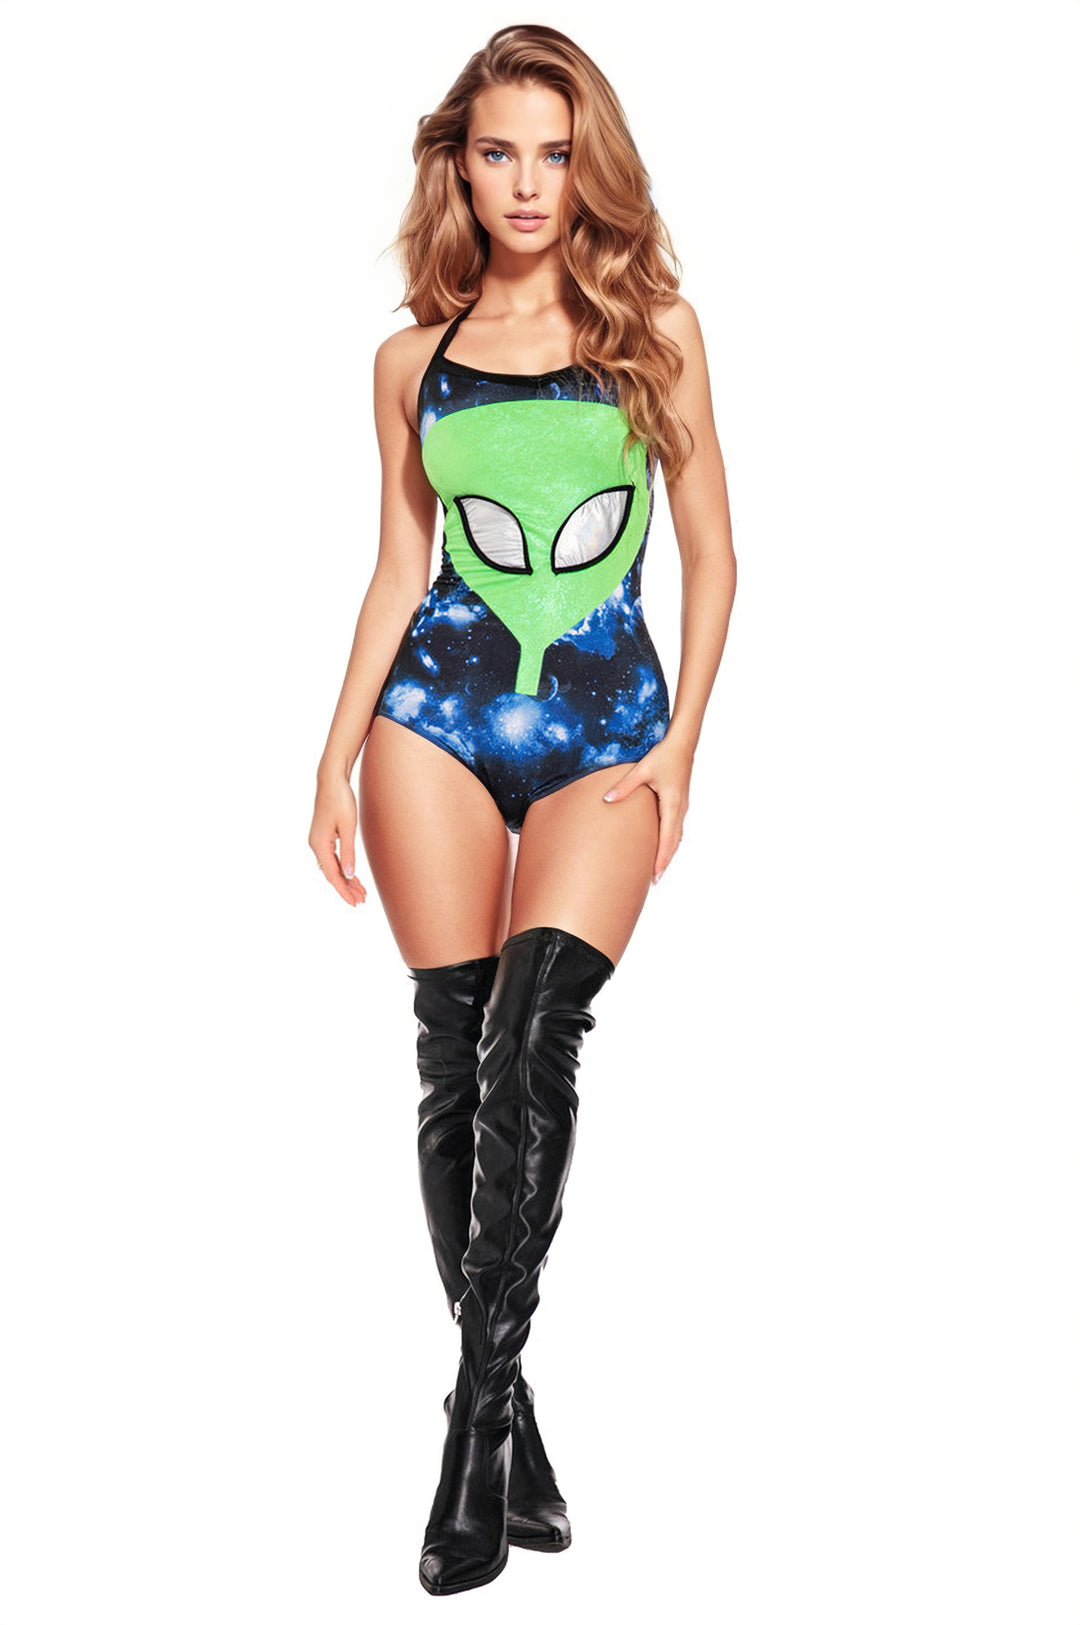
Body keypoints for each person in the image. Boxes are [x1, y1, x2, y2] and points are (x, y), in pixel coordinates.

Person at [308, 23, 737, 1596]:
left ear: (588, 161)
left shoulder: (656, 331)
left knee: (532, 1033)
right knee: (454, 1057)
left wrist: (683, 746)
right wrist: (331, 754)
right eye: (499, 152)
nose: (528, 183)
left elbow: (715, 551)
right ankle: (504, 1425)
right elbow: (398, 570)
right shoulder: (408, 362)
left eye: (555, 152)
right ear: (461, 165)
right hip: (429, 720)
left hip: (607, 730)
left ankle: (470, 1433)